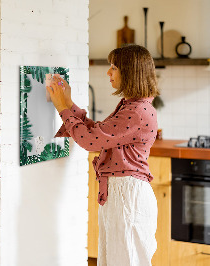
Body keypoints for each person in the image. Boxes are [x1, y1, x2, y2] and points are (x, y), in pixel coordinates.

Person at [47, 44, 159, 266]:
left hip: (127, 197)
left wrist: (62, 108)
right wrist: (68, 104)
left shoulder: (136, 111)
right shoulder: (132, 106)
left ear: (130, 72)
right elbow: (98, 133)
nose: (109, 73)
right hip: (122, 195)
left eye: (114, 67)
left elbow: (90, 141)